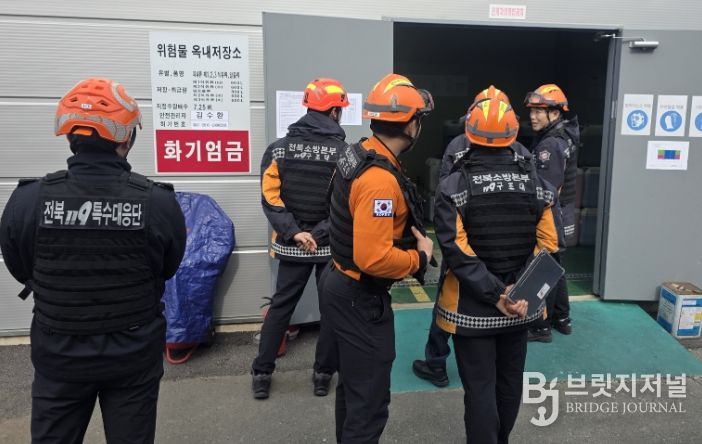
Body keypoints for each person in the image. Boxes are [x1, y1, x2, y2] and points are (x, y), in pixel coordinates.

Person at [0, 78, 186, 443]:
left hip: (59, 355)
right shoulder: (158, 202)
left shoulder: (28, 200)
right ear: (126, 138)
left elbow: (20, 266)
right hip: (132, 354)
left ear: (70, 136)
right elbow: (167, 267)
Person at [434, 93, 560, 443]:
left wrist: (495, 293)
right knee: (509, 383)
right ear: (514, 135)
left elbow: (456, 250)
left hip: (471, 309)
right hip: (521, 306)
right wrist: (518, 293)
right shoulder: (539, 187)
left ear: (468, 135)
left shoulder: (454, 186)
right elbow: (549, 245)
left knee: (479, 389)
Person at [320, 73, 434, 443]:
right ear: (411, 125)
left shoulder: (357, 152)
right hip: (359, 295)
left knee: (353, 389)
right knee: (368, 402)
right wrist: (419, 259)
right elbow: (373, 258)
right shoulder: (379, 181)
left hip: (339, 281)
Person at [412, 85, 530, 387]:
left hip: (464, 244)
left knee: (449, 300)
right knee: (511, 300)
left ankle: (436, 363)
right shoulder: (521, 152)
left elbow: (446, 194)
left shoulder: (458, 145)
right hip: (510, 248)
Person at [251, 78, 349, 399]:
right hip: (327, 245)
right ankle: (323, 375)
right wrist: (317, 234)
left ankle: (262, 374)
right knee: (330, 309)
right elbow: (344, 206)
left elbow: (270, 199)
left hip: (291, 245)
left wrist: (295, 233)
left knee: (281, 307)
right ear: (334, 111)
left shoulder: (278, 149)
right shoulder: (345, 154)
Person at [524, 83, 580, 342]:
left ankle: (540, 326)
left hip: (551, 217)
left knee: (541, 267)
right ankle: (562, 318)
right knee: (555, 266)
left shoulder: (550, 146)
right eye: (531, 111)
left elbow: (546, 190)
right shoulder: (561, 136)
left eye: (539, 111)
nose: (533, 116)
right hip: (561, 214)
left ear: (555, 113)